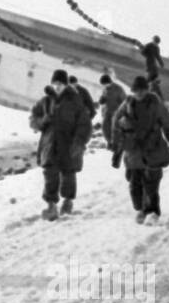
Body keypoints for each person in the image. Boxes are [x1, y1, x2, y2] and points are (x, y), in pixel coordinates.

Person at [111, 75, 169, 223]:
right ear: (132, 91)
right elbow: (116, 126)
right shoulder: (126, 104)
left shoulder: (155, 103)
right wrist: (116, 151)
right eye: (136, 91)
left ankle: (152, 212)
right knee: (134, 185)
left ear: (146, 90)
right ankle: (140, 209)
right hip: (133, 152)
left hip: (153, 149)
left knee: (151, 184)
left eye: (142, 90)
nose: (139, 94)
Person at [29, 70, 92, 220]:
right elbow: (33, 119)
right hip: (49, 144)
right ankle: (51, 206)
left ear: (65, 85)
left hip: (68, 144)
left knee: (68, 173)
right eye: (55, 83)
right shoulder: (45, 101)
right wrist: (42, 121)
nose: (57, 87)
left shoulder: (75, 101)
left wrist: (79, 142)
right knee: (50, 174)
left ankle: (68, 201)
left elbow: (84, 124)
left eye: (60, 84)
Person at [97, 73, 127, 147]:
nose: (103, 86)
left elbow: (124, 101)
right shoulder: (105, 89)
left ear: (108, 82)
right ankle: (109, 142)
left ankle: (116, 144)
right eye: (103, 85)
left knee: (114, 129)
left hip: (116, 112)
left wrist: (123, 112)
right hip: (107, 111)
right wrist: (101, 100)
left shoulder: (118, 89)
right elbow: (103, 96)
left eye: (104, 84)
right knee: (104, 127)